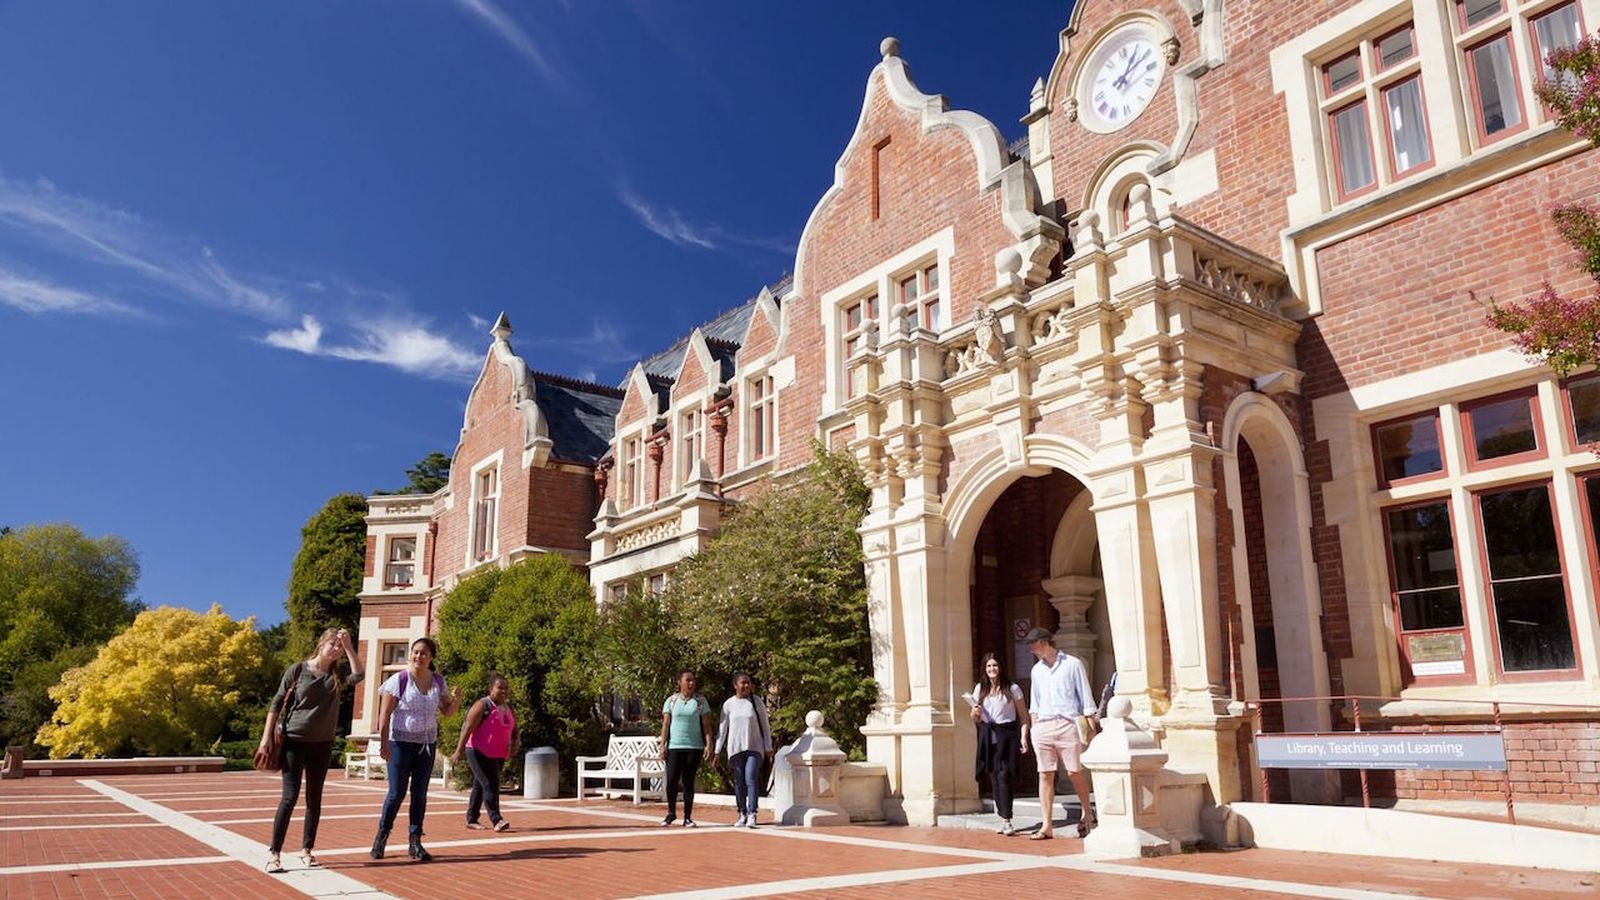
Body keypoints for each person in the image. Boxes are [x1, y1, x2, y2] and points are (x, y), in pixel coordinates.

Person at [260, 627, 363, 874]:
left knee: (314, 800)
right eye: (333, 645)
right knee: (290, 797)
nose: (336, 650)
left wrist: (349, 646)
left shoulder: (336, 676)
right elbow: (276, 703)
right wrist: (266, 736)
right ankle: (274, 854)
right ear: (321, 644)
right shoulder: (298, 670)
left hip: (322, 744)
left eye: (339, 647)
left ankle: (307, 850)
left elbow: (358, 675)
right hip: (294, 741)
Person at [370, 636, 463, 862]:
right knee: (396, 793)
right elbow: (384, 716)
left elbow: (447, 712)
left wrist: (456, 700)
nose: (418, 656)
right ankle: (382, 836)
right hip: (399, 743)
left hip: (426, 745)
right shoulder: (399, 680)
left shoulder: (438, 681)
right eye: (415, 652)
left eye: (424, 653)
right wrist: (384, 744)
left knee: (419, 794)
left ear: (431, 658)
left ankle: (415, 841)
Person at [1024, 626, 1098, 840]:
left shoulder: (1073, 664)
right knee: (1045, 774)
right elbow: (1034, 702)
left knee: (1075, 771)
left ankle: (1087, 813)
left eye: (1033, 644)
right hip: (1044, 726)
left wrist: (1090, 724)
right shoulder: (1036, 670)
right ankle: (1046, 825)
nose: (1031, 649)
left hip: (1068, 724)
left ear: (1044, 643)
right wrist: (1034, 727)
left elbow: (1085, 694)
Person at [969, 651, 1029, 836]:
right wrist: (975, 712)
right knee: (994, 776)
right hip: (988, 737)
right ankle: (1002, 817)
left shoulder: (1012, 689)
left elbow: (1023, 716)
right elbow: (975, 720)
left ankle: (1007, 818)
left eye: (994, 665)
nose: (992, 669)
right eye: (988, 666)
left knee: (1005, 776)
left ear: (1000, 667)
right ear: (984, 669)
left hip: (1007, 735)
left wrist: (1024, 737)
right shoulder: (980, 689)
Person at [450, 673, 518, 832]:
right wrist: (458, 751)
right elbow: (467, 728)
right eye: (499, 688)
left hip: (498, 754)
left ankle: (471, 818)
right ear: (491, 689)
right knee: (490, 784)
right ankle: (497, 819)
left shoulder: (508, 708)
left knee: (480, 785)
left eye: (505, 688)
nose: (503, 691)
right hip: (477, 751)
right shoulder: (482, 705)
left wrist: (515, 742)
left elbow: (515, 728)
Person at [714, 672, 772, 828]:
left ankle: (752, 813)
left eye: (748, 683)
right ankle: (742, 813)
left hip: (754, 747)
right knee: (739, 782)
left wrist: (768, 747)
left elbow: (765, 726)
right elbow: (723, 728)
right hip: (736, 748)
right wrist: (717, 751)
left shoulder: (756, 701)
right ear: (735, 685)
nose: (746, 686)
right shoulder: (728, 705)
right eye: (743, 683)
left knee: (750, 778)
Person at [658, 669, 713, 828]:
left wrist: (708, 744)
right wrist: (663, 745)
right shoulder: (671, 701)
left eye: (693, 680)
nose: (691, 683)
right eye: (688, 680)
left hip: (694, 747)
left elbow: (706, 725)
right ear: (679, 682)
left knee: (688, 782)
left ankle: (687, 817)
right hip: (675, 747)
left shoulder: (701, 701)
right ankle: (671, 813)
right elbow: (666, 724)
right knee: (671, 781)